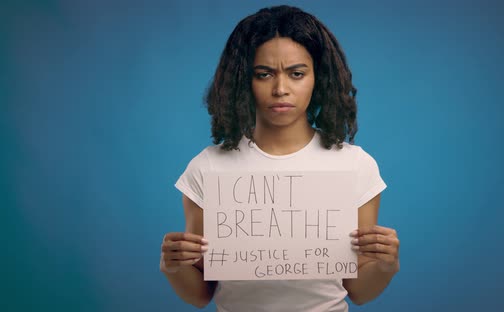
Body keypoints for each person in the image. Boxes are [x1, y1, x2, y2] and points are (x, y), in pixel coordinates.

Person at [160, 5, 400, 311]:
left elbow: (359, 292)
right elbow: (200, 294)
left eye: (297, 74)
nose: (281, 89)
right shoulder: (207, 168)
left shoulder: (356, 166)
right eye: (264, 74)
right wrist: (173, 265)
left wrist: (385, 266)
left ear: (319, 78)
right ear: (243, 81)